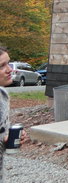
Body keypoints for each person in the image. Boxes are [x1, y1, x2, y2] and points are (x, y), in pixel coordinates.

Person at [0, 46, 14, 183]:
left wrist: (6, 137)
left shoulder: (2, 95)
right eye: (2, 66)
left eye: (8, 63)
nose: (9, 69)